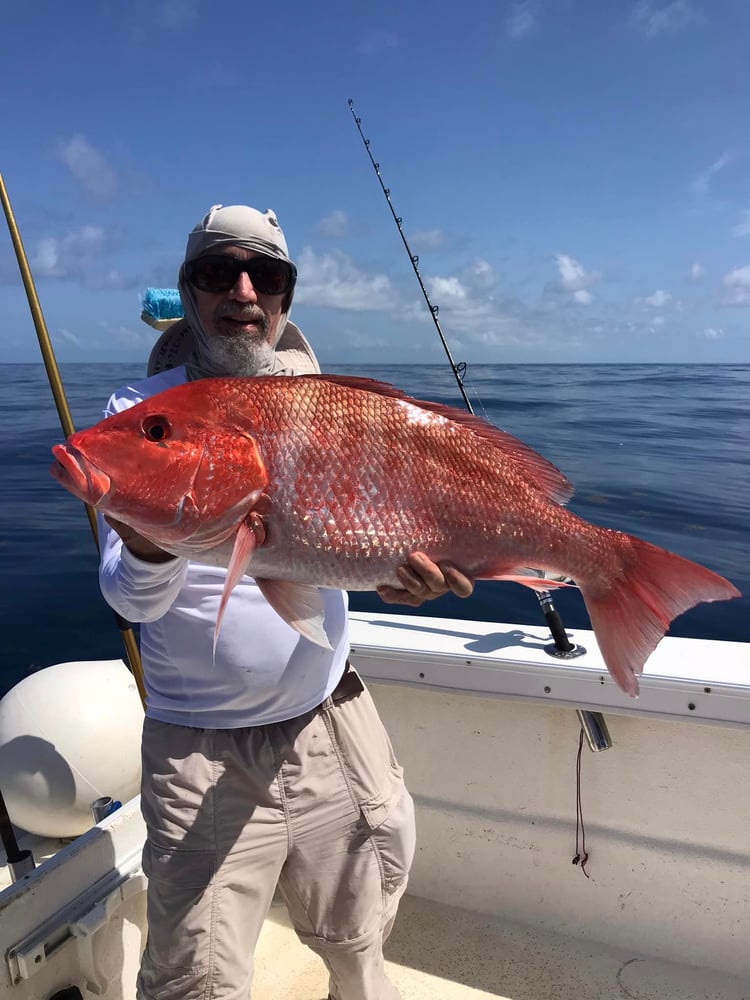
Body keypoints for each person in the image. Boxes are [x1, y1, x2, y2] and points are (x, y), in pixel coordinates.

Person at [97, 204, 474, 1000]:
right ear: (188, 289)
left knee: (362, 937)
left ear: (284, 295)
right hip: (199, 751)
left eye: (264, 275)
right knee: (193, 979)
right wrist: (155, 532)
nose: (242, 290)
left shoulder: (329, 403)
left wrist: (399, 584)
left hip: (330, 718)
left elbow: (354, 552)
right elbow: (131, 600)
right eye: (217, 272)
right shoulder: (143, 415)